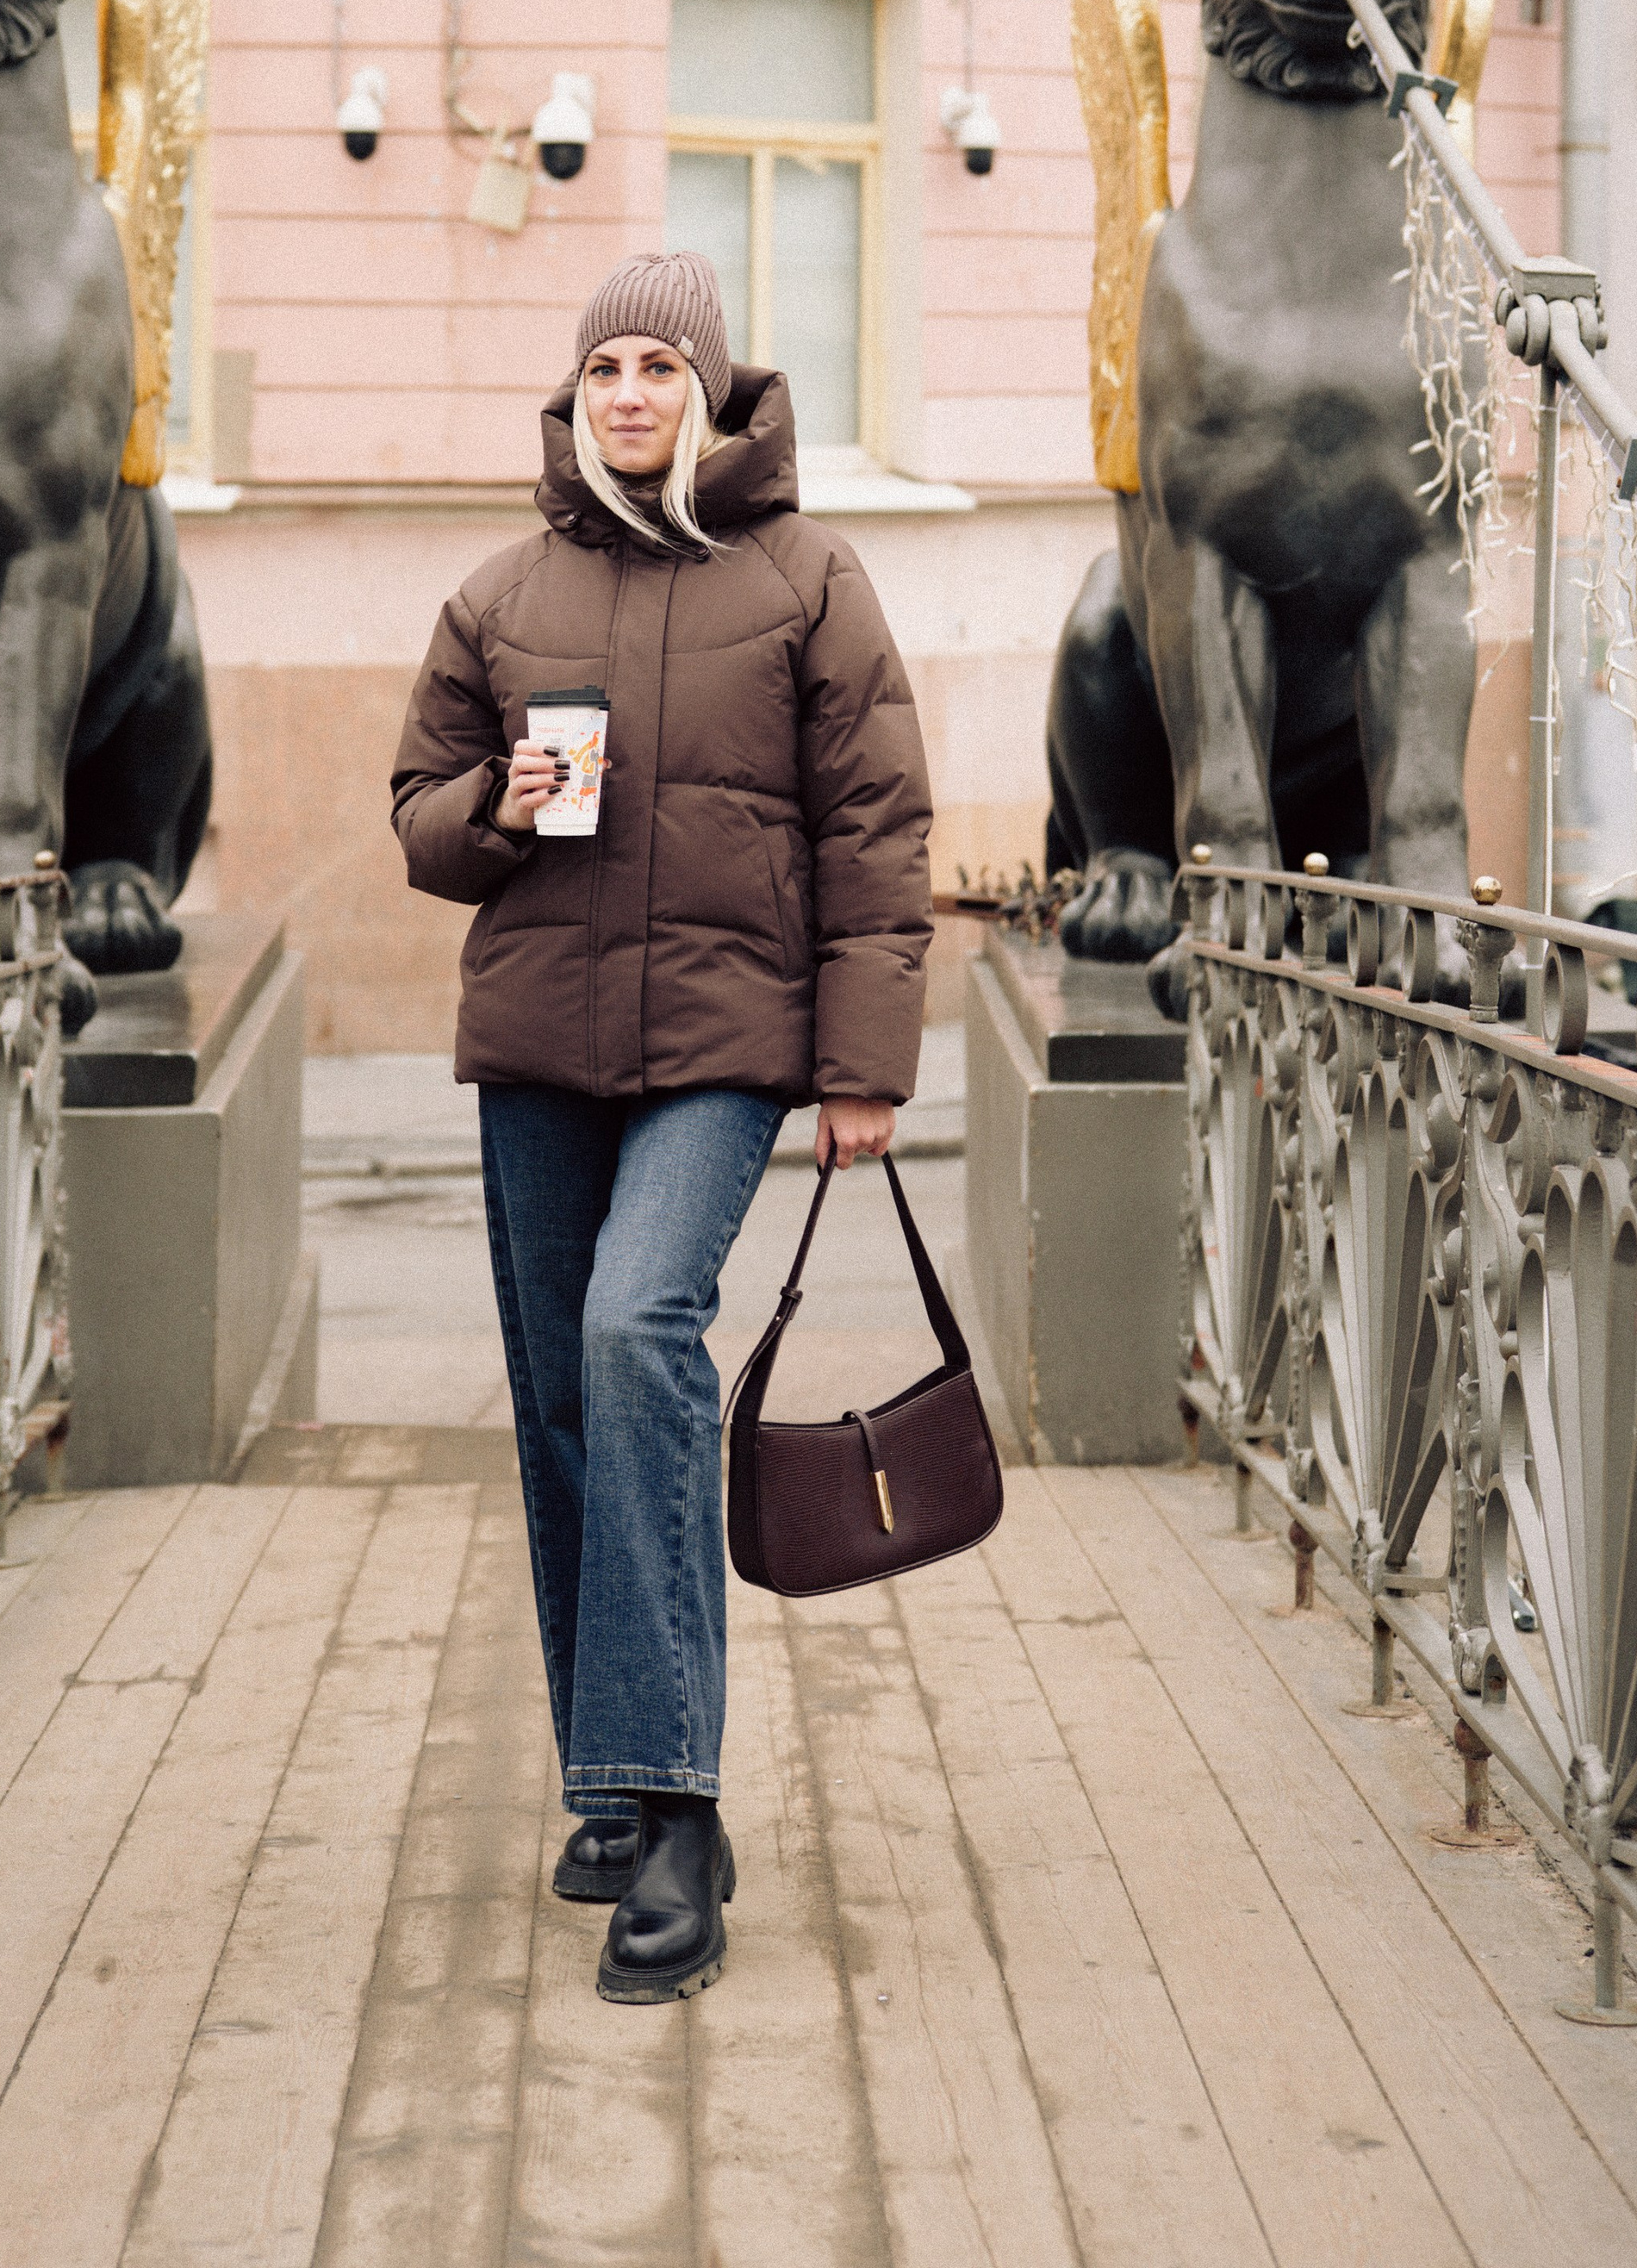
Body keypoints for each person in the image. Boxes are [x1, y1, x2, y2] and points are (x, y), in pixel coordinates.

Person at [391, 248, 934, 2003]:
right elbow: (418, 818)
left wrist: (862, 1065)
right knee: (556, 1393)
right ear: (576, 395)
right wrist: (500, 803)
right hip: (540, 1037)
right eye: (603, 367)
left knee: (638, 1334)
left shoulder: (806, 580)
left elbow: (876, 829)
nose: (629, 393)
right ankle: (607, 1780)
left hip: (721, 1043)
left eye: (658, 365)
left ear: (713, 388)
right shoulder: (498, 593)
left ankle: (681, 1807)